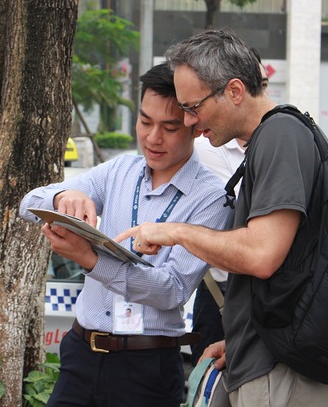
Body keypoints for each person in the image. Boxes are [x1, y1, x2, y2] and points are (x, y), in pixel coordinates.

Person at [116, 30, 328, 406]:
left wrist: (175, 231)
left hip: (281, 374)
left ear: (235, 91)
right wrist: (242, 340)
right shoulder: (274, 137)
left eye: (193, 107)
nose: (189, 122)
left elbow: (261, 255)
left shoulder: (280, 137)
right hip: (269, 357)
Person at [19, 63, 233, 407]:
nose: (153, 138)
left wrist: (89, 259)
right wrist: (63, 197)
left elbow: (172, 289)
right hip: (80, 353)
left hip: (146, 366)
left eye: (169, 127)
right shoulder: (120, 170)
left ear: (195, 127)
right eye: (145, 122)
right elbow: (29, 203)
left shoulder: (212, 198)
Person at [190, 56, 269, 365]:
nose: (259, 95)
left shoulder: (278, 140)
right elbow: (235, 211)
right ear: (235, 90)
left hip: (267, 294)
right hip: (219, 293)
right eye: (255, 85)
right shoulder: (206, 147)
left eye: (263, 85)